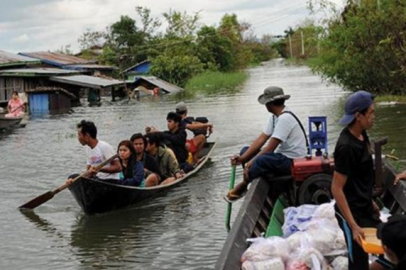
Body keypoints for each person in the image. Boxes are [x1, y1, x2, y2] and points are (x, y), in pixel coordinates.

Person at [225, 86, 307, 201]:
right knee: (245, 150)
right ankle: (258, 175)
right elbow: (261, 139)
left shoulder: (285, 118)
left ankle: (244, 184)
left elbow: (270, 149)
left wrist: (249, 164)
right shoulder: (274, 117)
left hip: (292, 160)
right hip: (281, 156)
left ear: (270, 103)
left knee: (260, 160)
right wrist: (242, 159)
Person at [331, 91, 382, 270]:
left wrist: (370, 200)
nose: (373, 117)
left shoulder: (362, 135)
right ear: (358, 116)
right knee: (358, 263)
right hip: (350, 214)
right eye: (371, 113)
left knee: (393, 245)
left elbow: (361, 177)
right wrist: (353, 226)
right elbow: (336, 188)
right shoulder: (346, 147)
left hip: (365, 208)